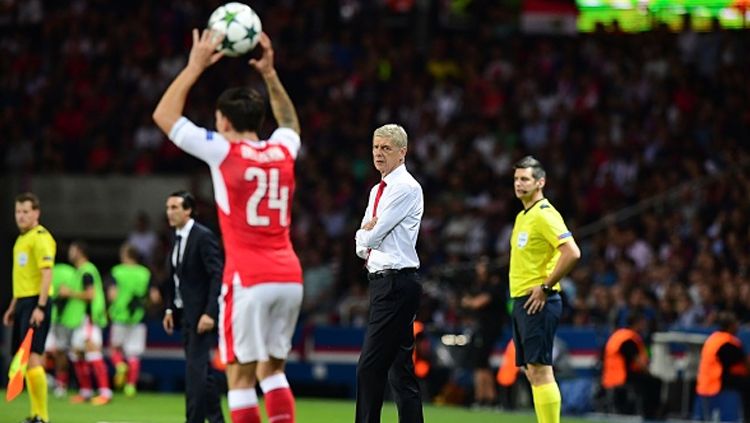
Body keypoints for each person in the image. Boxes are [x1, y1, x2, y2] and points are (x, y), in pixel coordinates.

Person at [153, 29, 303, 423]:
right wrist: (270, 75)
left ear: (222, 120)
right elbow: (289, 121)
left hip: (249, 279)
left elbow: (164, 116)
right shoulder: (283, 148)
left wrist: (195, 66)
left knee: (239, 378)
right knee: (273, 373)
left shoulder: (223, 150)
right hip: (289, 274)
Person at [354, 124, 425, 423]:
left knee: (369, 367)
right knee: (400, 369)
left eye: (386, 148)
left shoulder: (405, 188)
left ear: (402, 152)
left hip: (395, 282)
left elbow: (371, 235)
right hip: (387, 283)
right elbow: (363, 240)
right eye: (375, 147)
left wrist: (364, 233)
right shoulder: (376, 190)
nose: (378, 154)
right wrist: (364, 234)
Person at [509, 156, 580, 423]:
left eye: (525, 179)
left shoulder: (545, 214)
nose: (519, 184)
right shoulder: (522, 216)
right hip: (522, 300)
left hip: (538, 300)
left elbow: (572, 252)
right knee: (532, 370)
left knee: (540, 370)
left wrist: (545, 287)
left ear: (540, 182)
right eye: (516, 179)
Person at [162, 191, 224, 423]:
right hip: (184, 314)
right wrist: (169, 309)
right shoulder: (176, 238)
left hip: (200, 316)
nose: (169, 212)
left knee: (194, 374)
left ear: (188, 210)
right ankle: (217, 420)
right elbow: (176, 278)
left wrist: (210, 313)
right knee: (202, 374)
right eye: (168, 207)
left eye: (175, 207)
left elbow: (216, 275)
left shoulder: (203, 236)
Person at [3, 193, 56, 423]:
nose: (21, 216)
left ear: (36, 213)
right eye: (18, 212)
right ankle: (35, 415)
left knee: (34, 358)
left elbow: (47, 274)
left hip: (37, 301)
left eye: (26, 211)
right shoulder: (21, 240)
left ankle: (42, 417)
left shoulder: (41, 237)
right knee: (26, 359)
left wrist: (40, 307)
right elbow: (22, 278)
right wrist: (13, 306)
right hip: (24, 301)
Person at [63, 241, 112, 405]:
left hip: (89, 319)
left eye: (72, 250)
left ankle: (105, 392)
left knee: (93, 353)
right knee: (76, 354)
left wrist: (69, 293)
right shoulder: (80, 271)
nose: (70, 252)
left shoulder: (87, 272)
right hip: (79, 320)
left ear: (80, 252)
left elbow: (90, 295)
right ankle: (85, 391)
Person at [461, 256, 507, 408]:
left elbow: (477, 303)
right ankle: (486, 397)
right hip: (483, 329)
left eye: (481, 267)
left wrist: (468, 301)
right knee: (481, 362)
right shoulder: (482, 285)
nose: (478, 270)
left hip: (488, 329)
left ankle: (485, 398)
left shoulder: (495, 286)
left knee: (480, 362)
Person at [107, 243, 151, 397]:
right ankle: (131, 386)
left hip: (120, 316)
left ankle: (119, 365)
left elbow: (112, 294)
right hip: (138, 318)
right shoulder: (145, 273)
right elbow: (154, 296)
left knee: (115, 348)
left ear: (126, 255)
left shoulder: (117, 271)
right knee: (134, 354)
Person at [601, 313, 662, 418]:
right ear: (637, 323)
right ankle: (650, 414)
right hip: (622, 376)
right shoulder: (629, 339)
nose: (644, 326)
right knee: (655, 382)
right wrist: (649, 371)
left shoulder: (618, 335)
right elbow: (640, 363)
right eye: (643, 323)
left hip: (609, 375)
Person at [696, 311, 750, 420]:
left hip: (705, 380)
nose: (738, 326)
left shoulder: (713, 338)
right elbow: (744, 363)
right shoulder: (727, 343)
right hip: (717, 381)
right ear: (730, 326)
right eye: (735, 323)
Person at [46, 257, 77, 398]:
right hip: (64, 318)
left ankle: (48, 380)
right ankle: (60, 384)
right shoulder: (73, 272)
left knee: (45, 351)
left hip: (46, 316)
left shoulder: (46, 270)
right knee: (60, 352)